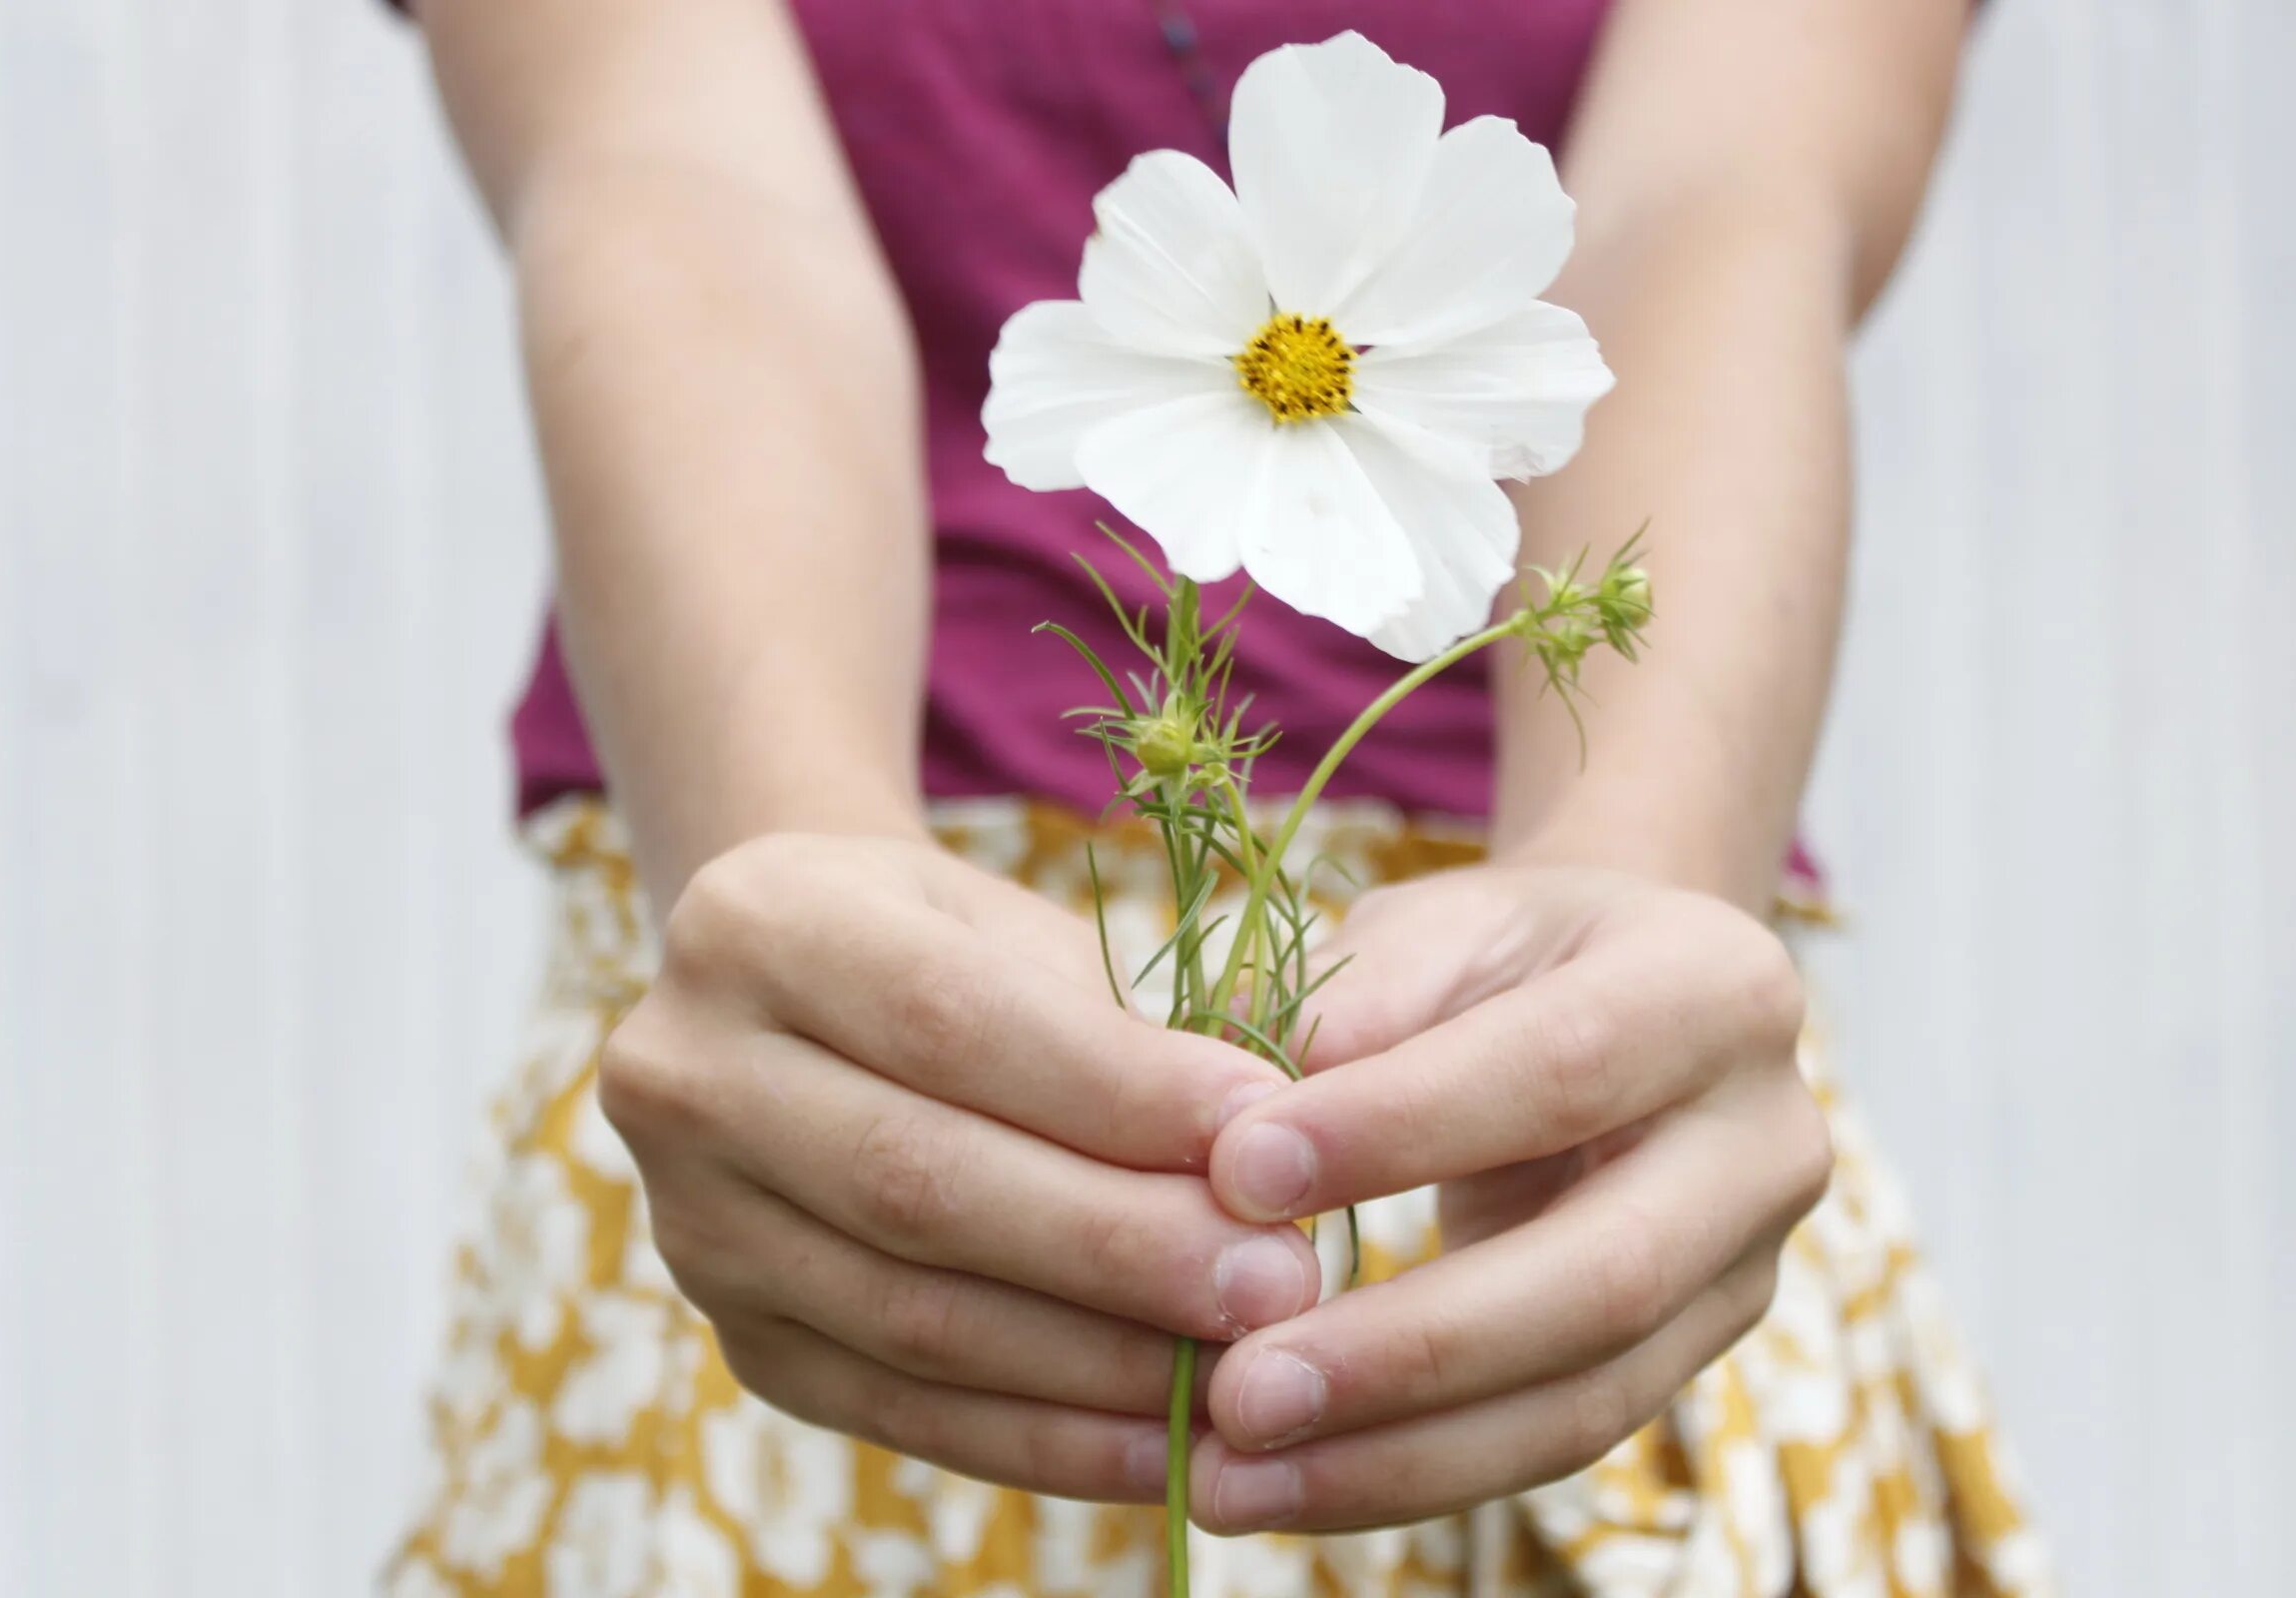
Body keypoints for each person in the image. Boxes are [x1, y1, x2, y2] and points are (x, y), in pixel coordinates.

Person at [385, 2, 2048, 1594]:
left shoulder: (1590, 1048)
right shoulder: (804, 1031)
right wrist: (791, 884)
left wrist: (1638, 889)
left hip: (1538, 1117)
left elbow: (1717, 205)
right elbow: (679, 188)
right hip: (828, 1128)